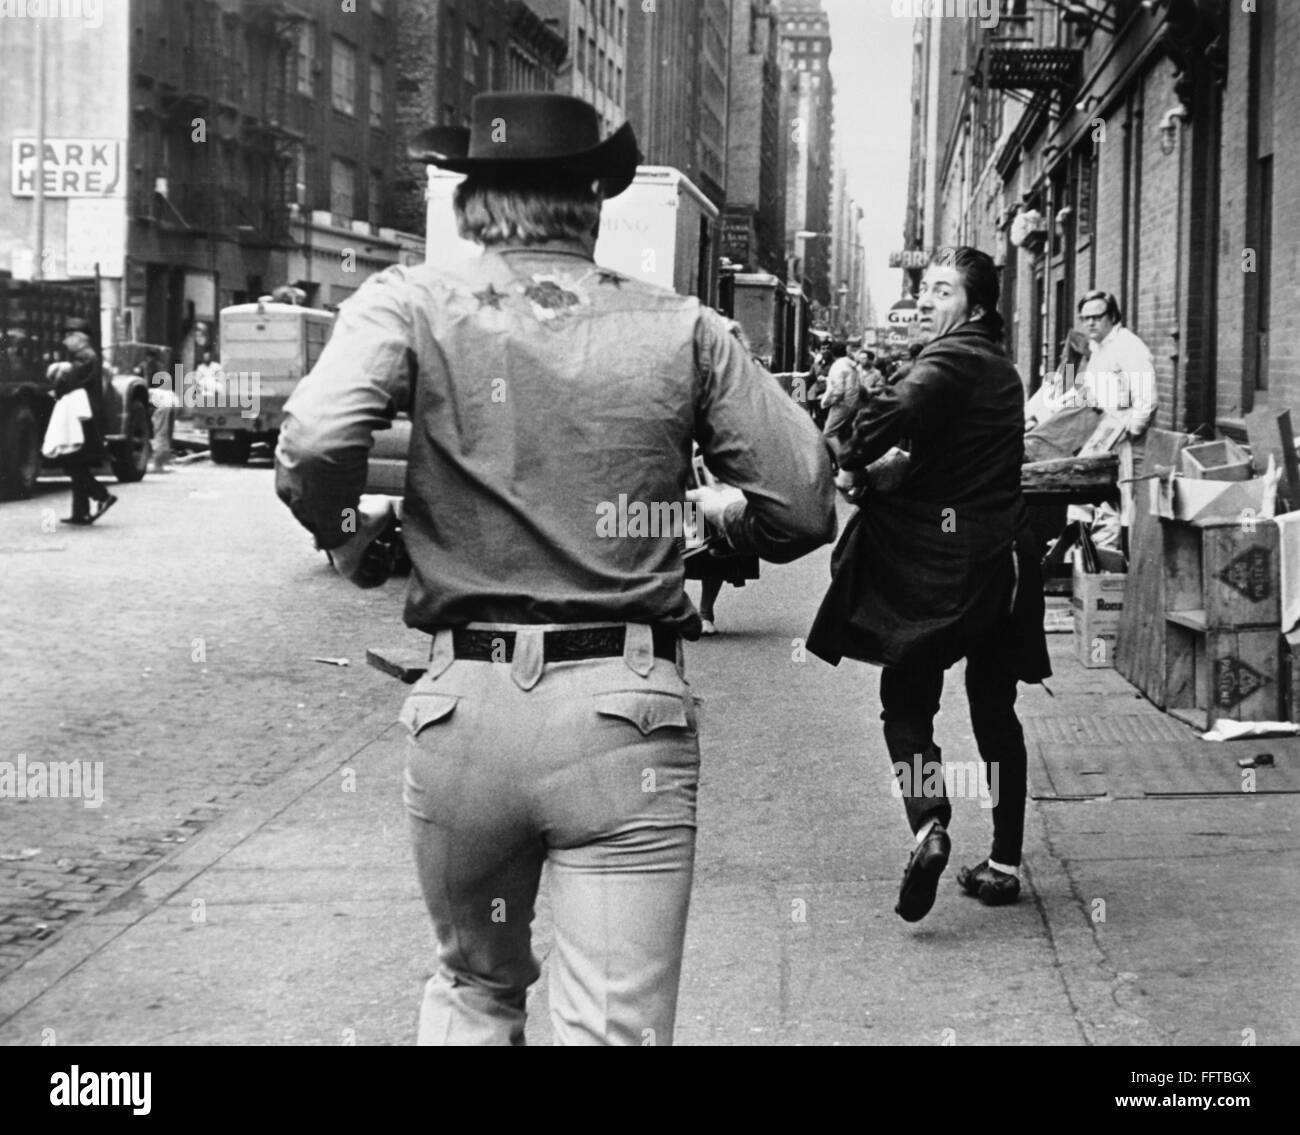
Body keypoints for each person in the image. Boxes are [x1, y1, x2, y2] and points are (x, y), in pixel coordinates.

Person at [274, 92, 835, 1045]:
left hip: (465, 711)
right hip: (625, 713)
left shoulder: (411, 301)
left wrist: (349, 535)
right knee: (612, 1026)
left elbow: (319, 436)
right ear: (594, 203)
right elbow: (803, 498)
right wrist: (698, 522)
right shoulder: (681, 326)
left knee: (472, 986)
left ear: (470, 205)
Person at [807, 246, 1050, 923]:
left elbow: (893, 408)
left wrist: (853, 454)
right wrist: (901, 468)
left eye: (941, 290)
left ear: (973, 305)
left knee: (906, 700)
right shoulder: (1001, 370)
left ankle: (930, 826)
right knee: (995, 712)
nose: (927, 301)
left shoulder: (951, 357)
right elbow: (953, 454)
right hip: (1005, 562)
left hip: (943, 572)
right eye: (926, 288)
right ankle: (1003, 862)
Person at [1072, 290, 1157, 536]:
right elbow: (1088, 384)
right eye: (1085, 318)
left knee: (1125, 501)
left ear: (1112, 316)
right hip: (1105, 433)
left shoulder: (1128, 346)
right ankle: (1089, 556)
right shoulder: (1096, 348)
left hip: (1126, 438)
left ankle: (1117, 562)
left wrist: (1132, 431)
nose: (1090, 323)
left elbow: (1147, 398)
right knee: (1092, 497)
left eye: (1096, 317)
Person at [50, 323, 116, 526]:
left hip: (81, 416)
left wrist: (59, 376)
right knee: (77, 462)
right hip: (86, 415)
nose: (64, 342)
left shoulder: (84, 357)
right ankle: (81, 512)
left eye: (67, 337)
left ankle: (102, 495)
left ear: (78, 338)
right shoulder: (88, 356)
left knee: (73, 462)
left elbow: (70, 382)